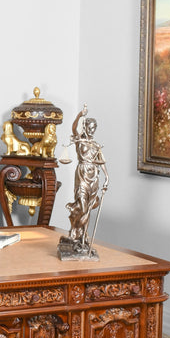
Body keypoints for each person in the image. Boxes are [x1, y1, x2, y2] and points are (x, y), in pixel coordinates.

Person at [65, 105, 109, 250]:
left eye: (94, 128)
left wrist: (107, 177)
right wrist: (79, 114)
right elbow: (73, 128)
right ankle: (74, 227)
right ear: (85, 127)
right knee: (83, 207)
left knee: (89, 208)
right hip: (82, 173)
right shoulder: (79, 140)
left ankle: (83, 237)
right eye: (89, 128)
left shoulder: (96, 145)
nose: (92, 131)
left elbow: (102, 162)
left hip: (94, 175)